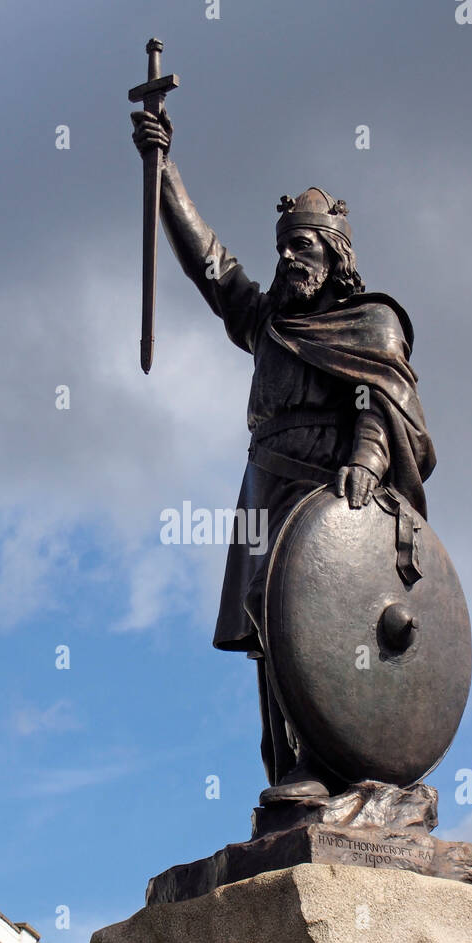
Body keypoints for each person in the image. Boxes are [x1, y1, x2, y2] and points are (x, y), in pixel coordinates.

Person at [132, 107, 436, 803]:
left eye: (303, 249)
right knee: (274, 634)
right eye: (284, 250)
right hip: (265, 487)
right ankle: (295, 764)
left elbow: (381, 401)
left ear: (336, 257)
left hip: (333, 491)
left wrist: (363, 459)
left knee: (330, 619)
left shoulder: (371, 321)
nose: (289, 260)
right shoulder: (267, 321)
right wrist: (162, 169)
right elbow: (210, 264)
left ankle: (343, 761)